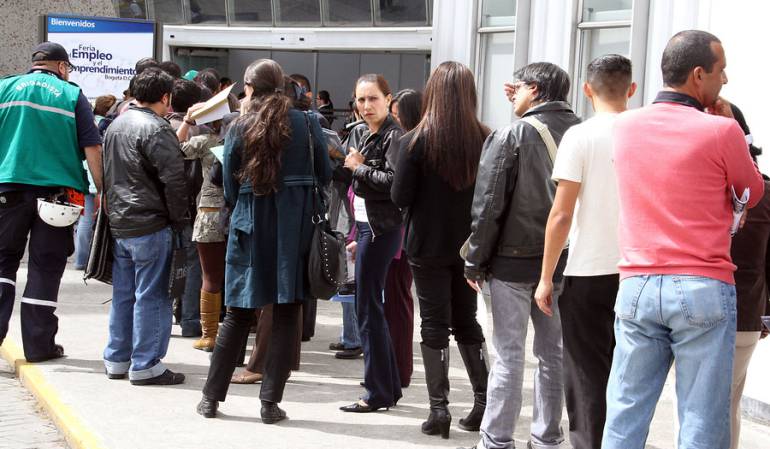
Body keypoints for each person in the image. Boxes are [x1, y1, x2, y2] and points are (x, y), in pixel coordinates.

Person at [601, 30, 765, 449]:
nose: (724, 79)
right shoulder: (721, 131)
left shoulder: (625, 126)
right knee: (701, 419)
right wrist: (735, 130)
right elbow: (752, 191)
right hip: (702, 283)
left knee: (625, 411)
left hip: (637, 282)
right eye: (720, 70)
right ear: (698, 75)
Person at [196, 59, 331, 423]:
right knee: (286, 314)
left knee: (237, 315)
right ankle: (270, 403)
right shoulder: (307, 123)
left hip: (250, 227)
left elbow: (227, 185)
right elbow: (325, 172)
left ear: (250, 88)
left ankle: (210, 399)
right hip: (295, 228)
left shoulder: (239, 126)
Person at [460, 62, 581, 449]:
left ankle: (497, 440)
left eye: (520, 88)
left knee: (508, 355)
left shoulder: (512, 134)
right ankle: (547, 439)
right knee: (552, 355)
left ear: (534, 89)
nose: (512, 94)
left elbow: (488, 204)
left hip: (511, 263)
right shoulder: (581, 131)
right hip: (563, 262)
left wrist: (474, 260)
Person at [531, 55, 635, 449]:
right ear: (632, 89)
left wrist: (545, 278)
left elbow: (561, 214)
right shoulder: (644, 131)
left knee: (586, 375)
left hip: (589, 270)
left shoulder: (580, 136)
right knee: (630, 376)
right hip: (639, 270)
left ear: (587, 89)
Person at [392, 61, 490, 439]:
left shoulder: (413, 142)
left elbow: (401, 196)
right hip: (470, 247)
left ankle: (439, 409)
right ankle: (483, 402)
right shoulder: (486, 138)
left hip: (427, 244)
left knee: (433, 323)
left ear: (431, 94)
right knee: (467, 320)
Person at [0, 41, 103, 362]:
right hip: (55, 198)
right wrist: (103, 189)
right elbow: (92, 147)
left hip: (7, 190)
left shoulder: (5, 88)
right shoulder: (71, 95)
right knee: (45, 268)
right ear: (61, 66)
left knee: (2, 264)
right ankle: (39, 346)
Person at [102, 68, 188, 385]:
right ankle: (146, 363)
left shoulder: (116, 124)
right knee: (153, 295)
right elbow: (174, 181)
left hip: (121, 223)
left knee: (124, 295)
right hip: (151, 223)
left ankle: (117, 359)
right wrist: (180, 221)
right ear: (165, 97)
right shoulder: (158, 129)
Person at [339, 74, 404, 413]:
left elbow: (395, 185)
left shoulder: (394, 136)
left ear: (388, 99)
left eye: (373, 98)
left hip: (381, 230)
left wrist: (358, 168)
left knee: (367, 308)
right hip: (368, 228)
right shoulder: (365, 133)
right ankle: (387, 388)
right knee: (370, 308)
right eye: (361, 99)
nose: (366, 106)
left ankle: (376, 392)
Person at [727, 104, 768, 449]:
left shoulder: (694, 187)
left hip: (693, 308)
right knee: (727, 405)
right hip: (745, 313)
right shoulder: (766, 193)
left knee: (695, 404)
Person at [384, 88, 421, 386]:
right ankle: (395, 366)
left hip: (400, 232)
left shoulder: (409, 144)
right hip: (398, 230)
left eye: (397, 115)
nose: (393, 119)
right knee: (395, 299)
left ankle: (399, 369)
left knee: (398, 299)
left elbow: (398, 192)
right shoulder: (407, 142)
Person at [167, 79, 209, 341]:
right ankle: (190, 319)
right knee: (194, 263)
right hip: (196, 204)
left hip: (169, 204)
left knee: (169, 260)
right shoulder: (204, 129)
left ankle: (171, 315)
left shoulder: (164, 126)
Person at [74, 94, 117, 270]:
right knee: (91, 220)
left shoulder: (88, 121)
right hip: (96, 176)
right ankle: (87, 260)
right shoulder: (106, 125)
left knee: (85, 220)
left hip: (85, 175)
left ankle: (81, 259)